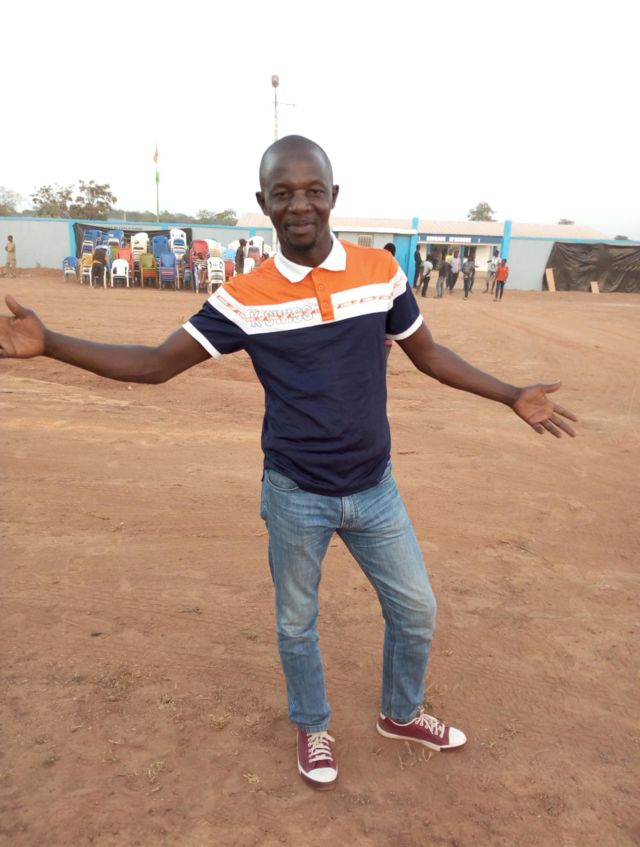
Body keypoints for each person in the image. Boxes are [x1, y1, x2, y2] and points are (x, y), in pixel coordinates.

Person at [0, 135, 578, 792]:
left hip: (376, 490)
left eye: (312, 191)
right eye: (283, 193)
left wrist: (510, 394)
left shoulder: (380, 274)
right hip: (296, 492)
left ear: (334, 196)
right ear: (264, 203)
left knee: (416, 608)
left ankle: (401, 713)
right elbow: (156, 364)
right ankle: (312, 725)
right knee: (297, 623)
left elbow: (430, 355)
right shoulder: (245, 297)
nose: (299, 204)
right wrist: (51, 344)